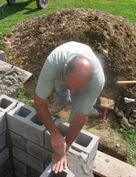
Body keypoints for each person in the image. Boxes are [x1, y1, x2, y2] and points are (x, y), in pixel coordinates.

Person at [34, 41, 105, 173]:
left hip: (78, 74)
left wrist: (65, 147)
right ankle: (62, 100)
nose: (72, 88)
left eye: (78, 86)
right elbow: (38, 102)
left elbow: (81, 118)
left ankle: (72, 107)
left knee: (79, 106)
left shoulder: (97, 81)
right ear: (65, 68)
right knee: (61, 86)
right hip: (62, 65)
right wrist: (54, 134)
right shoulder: (53, 64)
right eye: (71, 83)